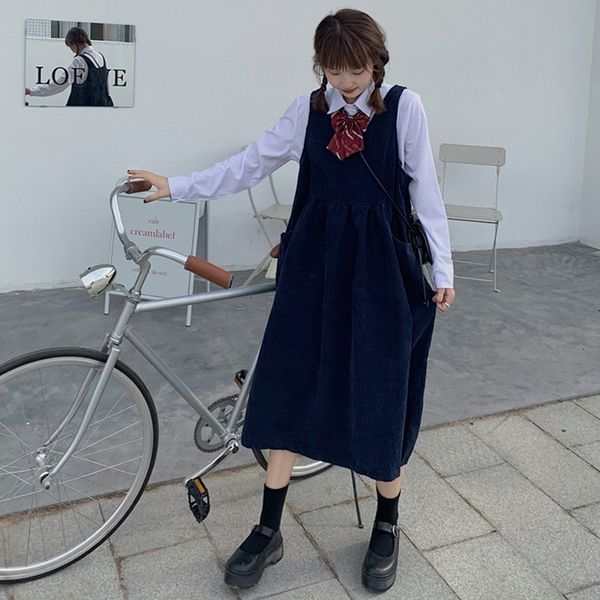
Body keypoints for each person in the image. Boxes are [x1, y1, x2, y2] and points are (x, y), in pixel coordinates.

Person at [128, 8, 455, 593]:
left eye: (356, 69)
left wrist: (444, 269)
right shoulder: (308, 111)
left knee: (379, 391)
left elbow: (425, 189)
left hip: (380, 271)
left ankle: (387, 522)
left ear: (376, 62)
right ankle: (268, 527)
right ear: (320, 65)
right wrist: (176, 187)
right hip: (314, 267)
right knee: (288, 385)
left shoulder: (404, 108)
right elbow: (250, 165)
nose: (346, 81)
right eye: (334, 69)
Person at [25, 26, 113, 106]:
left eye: (70, 46)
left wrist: (31, 91)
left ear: (74, 44)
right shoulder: (100, 56)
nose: (72, 50)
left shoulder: (80, 60)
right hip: (103, 107)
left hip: (81, 109)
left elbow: (60, 84)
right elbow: (106, 88)